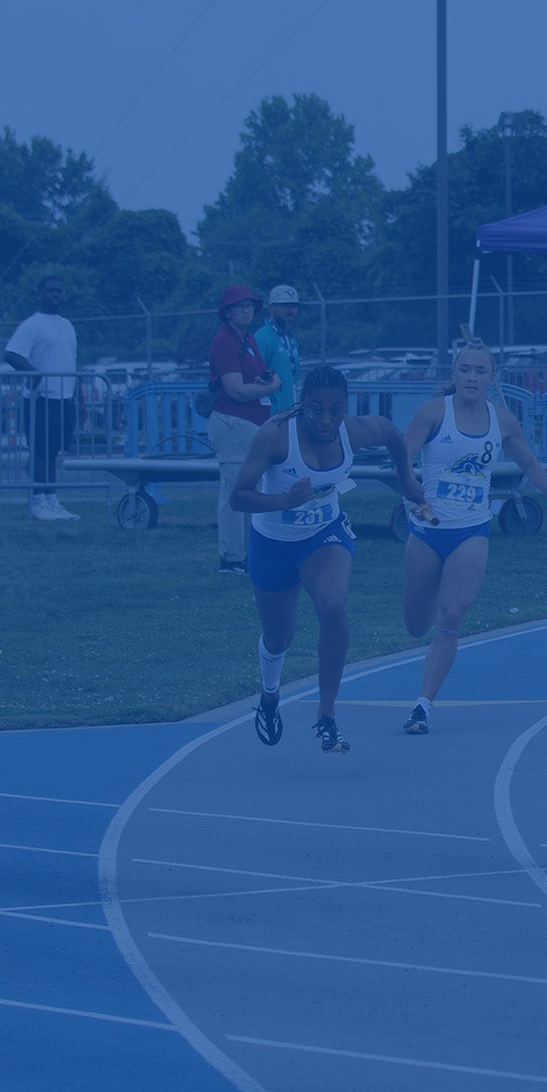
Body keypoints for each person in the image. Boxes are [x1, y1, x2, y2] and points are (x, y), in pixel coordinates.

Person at [231, 365, 425, 753]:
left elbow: (390, 432)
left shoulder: (351, 431)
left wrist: (407, 481)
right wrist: (284, 501)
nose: (325, 419)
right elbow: (238, 496)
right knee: (278, 636)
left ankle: (327, 715)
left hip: (324, 534)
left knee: (333, 606)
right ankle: (270, 694)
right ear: (302, 404)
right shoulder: (275, 435)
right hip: (273, 541)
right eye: (316, 409)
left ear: (345, 406)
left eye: (335, 410)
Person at [398, 341, 547, 736]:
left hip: (472, 531)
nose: (472, 378)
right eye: (465, 370)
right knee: (415, 624)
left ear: (493, 378)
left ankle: (422, 705)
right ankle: (425, 620)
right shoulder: (432, 413)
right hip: (427, 532)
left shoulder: (503, 421)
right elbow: (403, 460)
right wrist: (414, 496)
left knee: (451, 616)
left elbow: (528, 462)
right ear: (454, 375)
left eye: (481, 371)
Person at [208, 284, 281, 575]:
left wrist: (266, 380)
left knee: (251, 488)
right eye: (240, 307)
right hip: (232, 421)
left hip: (250, 422)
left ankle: (248, 554)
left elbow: (254, 378)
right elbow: (235, 390)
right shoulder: (224, 341)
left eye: (250, 305)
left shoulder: (247, 338)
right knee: (234, 489)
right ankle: (231, 557)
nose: (247, 310)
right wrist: (272, 386)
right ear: (227, 313)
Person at [4, 275, 87, 522]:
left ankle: (52, 500)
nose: (55, 295)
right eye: (50, 290)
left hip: (65, 398)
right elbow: (11, 353)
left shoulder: (67, 325)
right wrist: (34, 373)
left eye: (59, 291)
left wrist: (80, 400)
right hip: (41, 399)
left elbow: (73, 362)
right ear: (39, 294)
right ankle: (38, 501)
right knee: (40, 451)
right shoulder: (32, 324)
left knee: (53, 453)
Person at [254, 284, 304, 414]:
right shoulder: (262, 337)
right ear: (271, 307)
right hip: (270, 414)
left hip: (290, 411)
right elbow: (253, 376)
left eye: (294, 306)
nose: (290, 310)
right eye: (284, 306)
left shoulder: (290, 338)